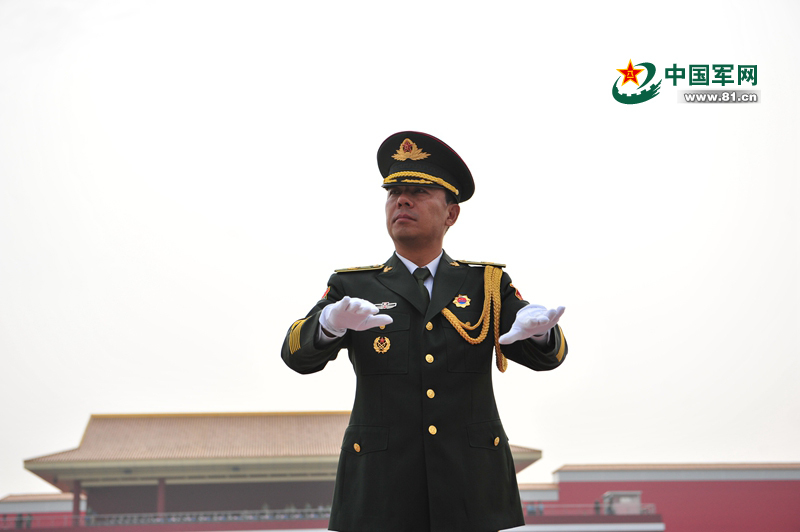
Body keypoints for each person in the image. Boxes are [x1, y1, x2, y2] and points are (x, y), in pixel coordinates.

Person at [281, 131, 568, 532]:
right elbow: (295, 356)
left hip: (471, 485)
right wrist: (328, 326)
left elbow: (547, 358)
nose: (402, 200)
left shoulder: (485, 284)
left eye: (418, 191)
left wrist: (538, 333)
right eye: (394, 192)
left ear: (451, 213)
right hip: (380, 487)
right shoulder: (353, 286)